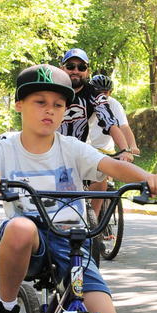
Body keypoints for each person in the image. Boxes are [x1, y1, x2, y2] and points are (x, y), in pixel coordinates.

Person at [0, 64, 157, 313]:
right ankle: (6, 307)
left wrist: (148, 177)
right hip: (30, 243)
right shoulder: (5, 147)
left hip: (71, 241)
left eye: (58, 105)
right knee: (22, 227)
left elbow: (113, 166)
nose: (49, 111)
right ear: (19, 105)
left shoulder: (72, 148)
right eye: (40, 102)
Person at [59, 50, 133, 215]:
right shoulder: (53, 88)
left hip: (78, 151)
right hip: (49, 151)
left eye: (81, 67)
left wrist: (124, 150)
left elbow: (111, 122)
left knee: (101, 174)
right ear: (62, 68)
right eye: (71, 66)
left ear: (87, 71)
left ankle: (94, 221)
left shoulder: (93, 94)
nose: (76, 71)